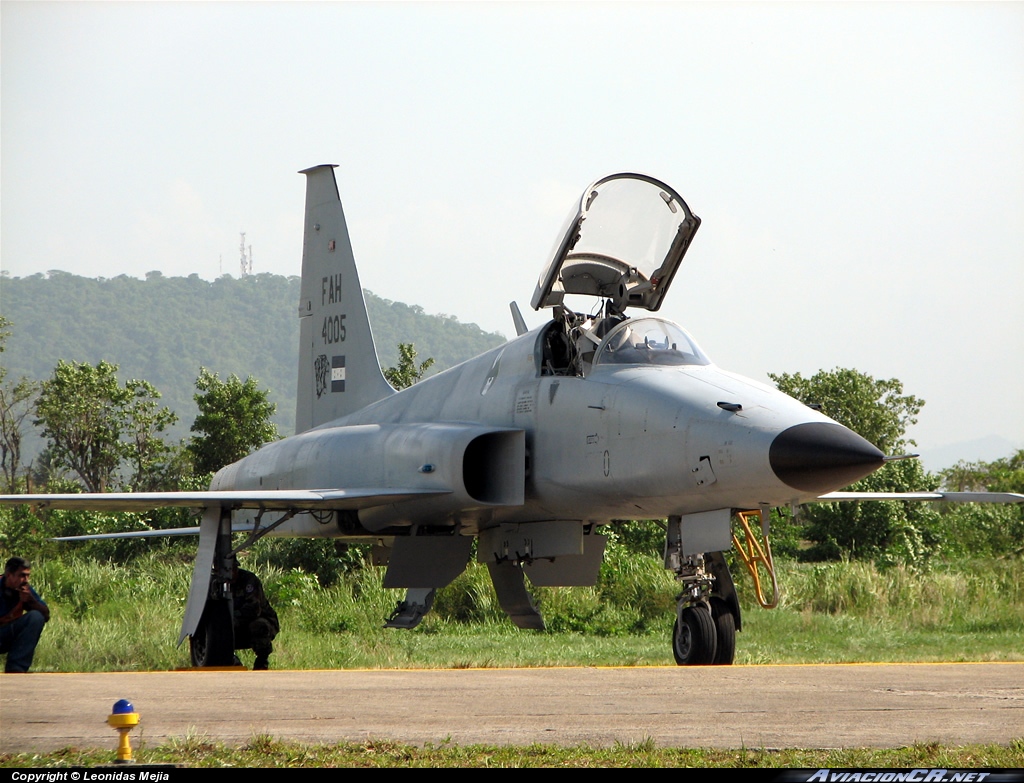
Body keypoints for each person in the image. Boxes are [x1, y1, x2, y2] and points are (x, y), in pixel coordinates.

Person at [0, 556, 50, 673]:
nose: (26, 580)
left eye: (28, 576)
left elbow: (46, 615)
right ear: (9, 575)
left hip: (6, 635)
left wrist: (31, 601)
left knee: (35, 617)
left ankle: (16, 668)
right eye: (22, 575)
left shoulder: (25, 590)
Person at [230, 561, 279, 670]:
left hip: (260, 619)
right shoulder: (216, 583)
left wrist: (235, 616)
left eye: (231, 569)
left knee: (258, 626)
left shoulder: (249, 581)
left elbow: (254, 609)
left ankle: (262, 661)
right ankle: (231, 660)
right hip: (234, 624)